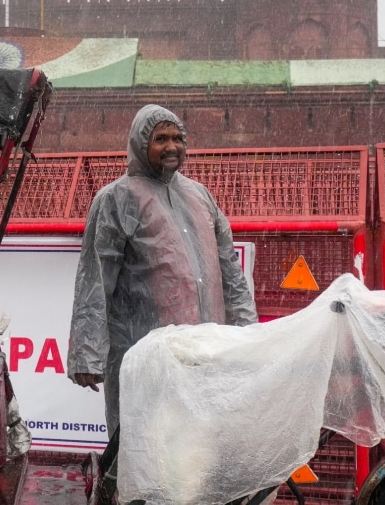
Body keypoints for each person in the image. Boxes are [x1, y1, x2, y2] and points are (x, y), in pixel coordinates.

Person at [68, 104, 258, 438]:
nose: (171, 146)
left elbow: (230, 274)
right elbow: (95, 280)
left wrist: (247, 335)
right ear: (140, 145)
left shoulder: (200, 196)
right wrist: (87, 355)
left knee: (198, 451)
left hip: (204, 356)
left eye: (177, 138)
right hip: (145, 359)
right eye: (160, 139)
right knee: (144, 451)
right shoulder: (117, 199)